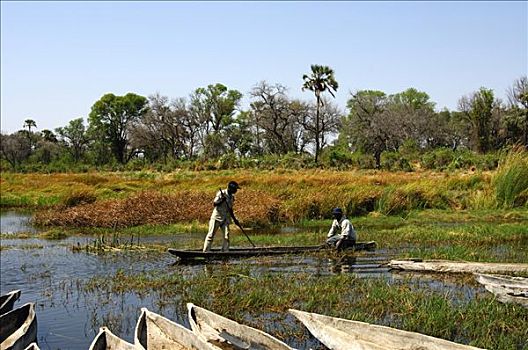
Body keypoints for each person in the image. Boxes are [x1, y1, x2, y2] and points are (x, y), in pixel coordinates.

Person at [202, 181, 241, 252]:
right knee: (210, 235)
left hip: (226, 219)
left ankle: (225, 251)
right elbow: (215, 204)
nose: (236, 191)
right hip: (217, 217)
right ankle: (206, 251)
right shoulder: (221, 193)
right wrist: (222, 200)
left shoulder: (232, 197)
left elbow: (230, 209)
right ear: (231, 188)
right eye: (235, 189)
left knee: (227, 236)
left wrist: (235, 220)